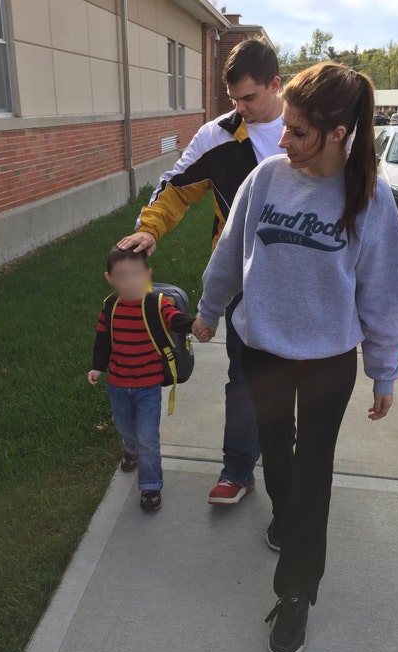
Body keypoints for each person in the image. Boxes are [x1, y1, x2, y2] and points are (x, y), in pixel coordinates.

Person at [192, 62, 398, 652]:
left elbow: (385, 297)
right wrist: (209, 309)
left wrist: (384, 371)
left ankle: (295, 593)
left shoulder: (370, 200)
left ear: (339, 132)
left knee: (314, 469)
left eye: (297, 132)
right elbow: (231, 254)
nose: (282, 141)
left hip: (327, 360)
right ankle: (284, 515)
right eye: (283, 128)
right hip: (260, 346)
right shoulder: (266, 179)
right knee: (274, 447)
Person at [116, 37, 285, 507]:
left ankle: (295, 467)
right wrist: (150, 229)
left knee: (295, 377)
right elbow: (174, 187)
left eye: (250, 98)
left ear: (276, 84)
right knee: (244, 376)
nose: (240, 109)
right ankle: (238, 470)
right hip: (242, 280)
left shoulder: (308, 127)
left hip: (300, 281)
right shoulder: (218, 135)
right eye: (233, 100)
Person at [88, 247, 198, 511]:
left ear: (147, 274)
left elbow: (174, 320)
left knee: (148, 436)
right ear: (110, 277)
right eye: (122, 276)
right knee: (126, 427)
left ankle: (150, 486)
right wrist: (97, 367)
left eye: (136, 275)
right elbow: (103, 338)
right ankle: (130, 448)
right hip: (117, 383)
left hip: (147, 385)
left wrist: (195, 324)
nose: (130, 281)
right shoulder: (110, 305)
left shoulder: (156, 304)